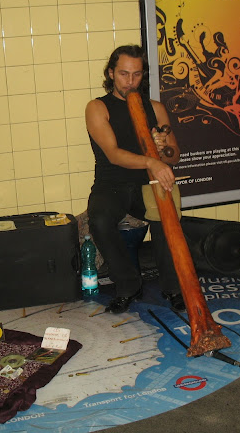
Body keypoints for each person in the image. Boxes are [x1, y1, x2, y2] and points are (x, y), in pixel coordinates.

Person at [85, 44, 185, 314]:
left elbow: (174, 156)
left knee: (168, 215)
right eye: (123, 74)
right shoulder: (98, 107)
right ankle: (129, 285)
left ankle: (173, 287)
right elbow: (114, 154)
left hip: (147, 182)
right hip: (112, 183)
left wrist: (163, 147)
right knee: (100, 219)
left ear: (143, 75)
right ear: (111, 73)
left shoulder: (155, 108)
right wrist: (152, 160)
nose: (130, 82)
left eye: (137, 75)